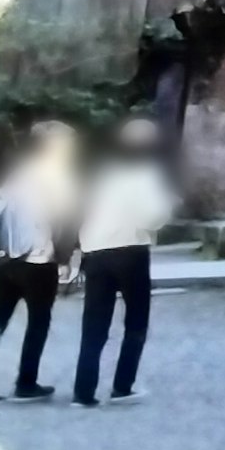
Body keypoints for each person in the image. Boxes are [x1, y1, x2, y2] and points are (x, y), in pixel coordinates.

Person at [67, 116, 179, 407]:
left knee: (94, 324)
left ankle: (83, 391)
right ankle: (122, 386)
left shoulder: (102, 172)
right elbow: (151, 218)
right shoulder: (146, 174)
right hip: (131, 251)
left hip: (96, 252)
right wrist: (169, 202)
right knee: (136, 321)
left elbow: (81, 212)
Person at [0, 121, 80, 404]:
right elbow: (63, 220)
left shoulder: (18, 172)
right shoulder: (57, 176)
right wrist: (65, 258)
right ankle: (25, 383)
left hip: (7, 259)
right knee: (38, 322)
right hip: (39, 259)